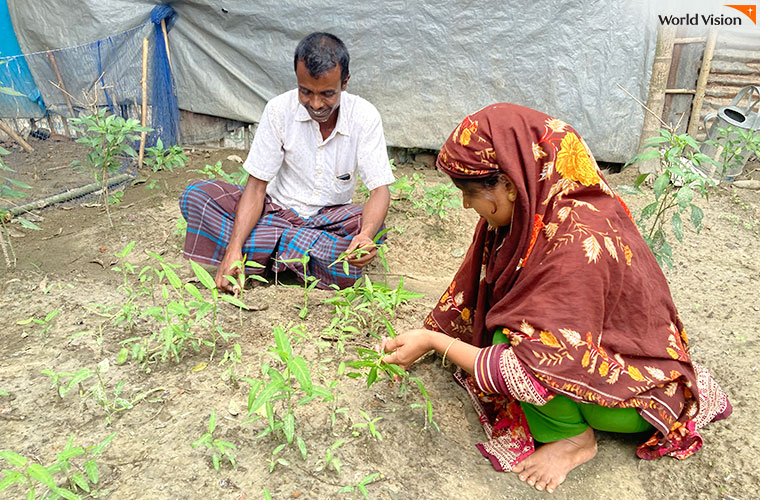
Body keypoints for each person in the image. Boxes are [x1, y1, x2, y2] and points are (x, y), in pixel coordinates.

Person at [381, 104, 731, 494]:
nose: (466, 205)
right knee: (511, 331)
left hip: (636, 399)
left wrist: (435, 341)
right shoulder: (539, 211)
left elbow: (533, 364)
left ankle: (573, 440)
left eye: (469, 193)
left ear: (511, 184)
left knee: (516, 347)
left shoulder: (578, 239)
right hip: (605, 355)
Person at [180, 32, 394, 292]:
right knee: (197, 196)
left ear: (345, 82)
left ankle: (263, 255)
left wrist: (365, 236)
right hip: (275, 212)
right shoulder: (279, 110)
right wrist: (234, 248)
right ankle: (292, 256)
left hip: (328, 219)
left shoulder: (365, 116)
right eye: (306, 91)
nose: (315, 104)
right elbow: (257, 187)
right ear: (297, 79)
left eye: (327, 94)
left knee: (371, 226)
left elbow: (379, 191)